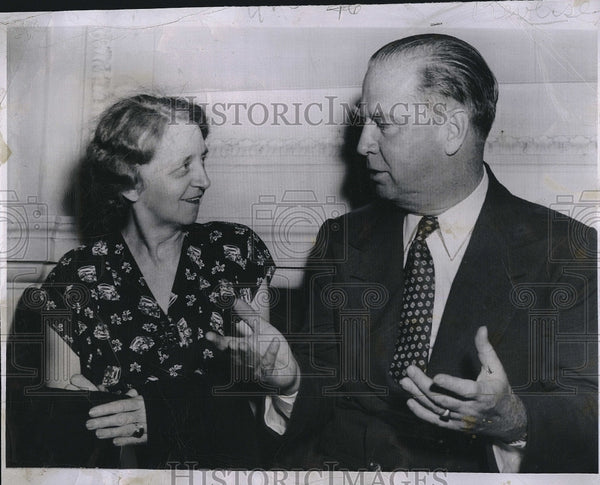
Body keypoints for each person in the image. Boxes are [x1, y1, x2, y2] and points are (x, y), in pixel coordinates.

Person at [217, 34, 598, 472]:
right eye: (364, 122)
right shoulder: (340, 241)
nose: (363, 144)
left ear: (451, 131)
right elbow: (319, 393)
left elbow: (590, 416)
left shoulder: (566, 252)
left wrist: (513, 420)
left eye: (384, 123)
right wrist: (289, 381)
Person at [6, 94, 293, 468]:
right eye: (183, 167)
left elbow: (257, 403)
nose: (204, 180)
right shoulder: (74, 278)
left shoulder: (235, 253)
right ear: (130, 185)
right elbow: (64, 433)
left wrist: (159, 412)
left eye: (202, 159)